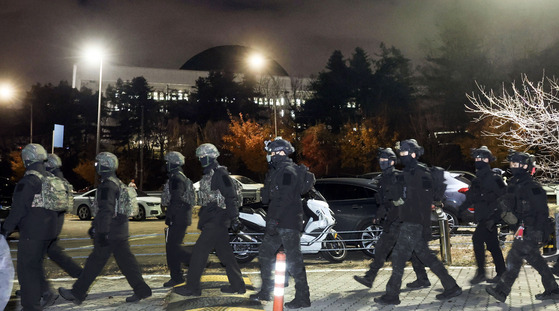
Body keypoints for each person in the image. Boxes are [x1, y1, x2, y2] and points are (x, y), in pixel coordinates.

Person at [375, 139, 462, 305]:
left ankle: (392, 295)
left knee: (399, 257)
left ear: (414, 154)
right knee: (427, 257)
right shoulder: (408, 172)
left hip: (414, 221)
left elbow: (423, 199)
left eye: (404, 152)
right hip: (411, 220)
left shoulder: (420, 173)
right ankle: (451, 286)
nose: (401, 155)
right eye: (400, 152)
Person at [59, 152, 152, 305]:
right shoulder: (118, 182)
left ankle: (77, 293)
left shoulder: (107, 185)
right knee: (127, 263)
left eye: (97, 164)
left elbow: (106, 210)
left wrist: (100, 232)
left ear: (104, 165)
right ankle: (142, 290)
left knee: (94, 263)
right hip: (120, 230)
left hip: (109, 232)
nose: (96, 167)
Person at [486, 151, 559, 302]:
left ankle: (501, 291)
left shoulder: (532, 186)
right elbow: (505, 204)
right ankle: (553, 289)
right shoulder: (513, 184)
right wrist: (493, 219)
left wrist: (539, 231)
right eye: (511, 164)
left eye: (515, 164)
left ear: (525, 166)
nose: (512, 167)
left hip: (531, 229)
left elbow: (542, 211)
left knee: (514, 258)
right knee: (536, 260)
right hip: (521, 228)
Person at [353, 148, 430, 290]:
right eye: (380, 160)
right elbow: (384, 202)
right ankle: (422, 279)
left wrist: (391, 220)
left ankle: (370, 277)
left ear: (392, 161)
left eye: (385, 160)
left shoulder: (396, 177)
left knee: (383, 248)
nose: (382, 162)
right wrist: (378, 216)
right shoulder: (384, 178)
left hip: (399, 219)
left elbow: (400, 201)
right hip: (395, 219)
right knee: (412, 251)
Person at [174, 143, 245, 296]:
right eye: (199, 157)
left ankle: (192, 287)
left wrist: (234, 218)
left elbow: (230, 195)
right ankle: (238, 285)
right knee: (226, 255)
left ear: (211, 156)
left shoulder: (220, 174)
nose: (200, 159)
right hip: (214, 219)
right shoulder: (210, 174)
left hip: (217, 219)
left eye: (202, 157)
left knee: (199, 253)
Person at [250, 137, 311, 309]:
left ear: (281, 152)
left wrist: (274, 220)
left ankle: (303, 298)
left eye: (273, 152)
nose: (270, 156)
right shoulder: (277, 170)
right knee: (264, 253)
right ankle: (266, 291)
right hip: (278, 222)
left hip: (288, 223)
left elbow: (284, 198)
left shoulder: (287, 171)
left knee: (294, 261)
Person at [2, 143, 60, 310]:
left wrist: (6, 229)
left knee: (27, 272)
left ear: (26, 159)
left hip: (32, 233)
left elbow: (18, 209)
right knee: (34, 266)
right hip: (49, 232)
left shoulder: (28, 181)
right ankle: (46, 293)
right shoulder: (50, 178)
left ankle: (31, 306)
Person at [461, 146, 506, 284]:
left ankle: (481, 273)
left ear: (487, 160)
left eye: (481, 158)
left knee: (477, 240)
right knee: (493, 245)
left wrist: (495, 217)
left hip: (490, 217)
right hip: (483, 217)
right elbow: (473, 198)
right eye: (476, 158)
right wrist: (462, 208)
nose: (478, 161)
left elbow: (504, 198)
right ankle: (501, 273)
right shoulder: (477, 179)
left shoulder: (494, 178)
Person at [162, 151, 195, 287]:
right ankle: (177, 277)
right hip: (181, 216)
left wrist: (170, 216)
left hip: (178, 217)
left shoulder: (176, 178)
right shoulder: (180, 177)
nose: (166, 165)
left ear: (173, 163)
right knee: (172, 247)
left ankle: (194, 258)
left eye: (167, 162)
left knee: (173, 248)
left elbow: (177, 198)